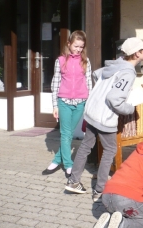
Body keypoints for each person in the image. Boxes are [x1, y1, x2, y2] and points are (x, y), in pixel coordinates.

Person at [64, 37, 143, 203]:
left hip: (92, 111)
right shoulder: (128, 72)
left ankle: (73, 181)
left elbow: (97, 76)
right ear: (137, 54)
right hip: (104, 117)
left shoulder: (115, 64)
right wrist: (130, 108)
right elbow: (114, 99)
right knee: (110, 149)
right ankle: (100, 190)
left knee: (86, 146)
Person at [42, 30, 92, 178]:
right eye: (76, 46)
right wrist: (54, 105)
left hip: (80, 102)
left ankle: (56, 160)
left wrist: (88, 103)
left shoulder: (85, 61)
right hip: (63, 102)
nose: (78, 49)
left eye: (81, 47)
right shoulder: (61, 60)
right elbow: (55, 83)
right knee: (65, 134)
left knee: (68, 134)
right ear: (69, 44)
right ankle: (69, 165)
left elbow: (89, 82)